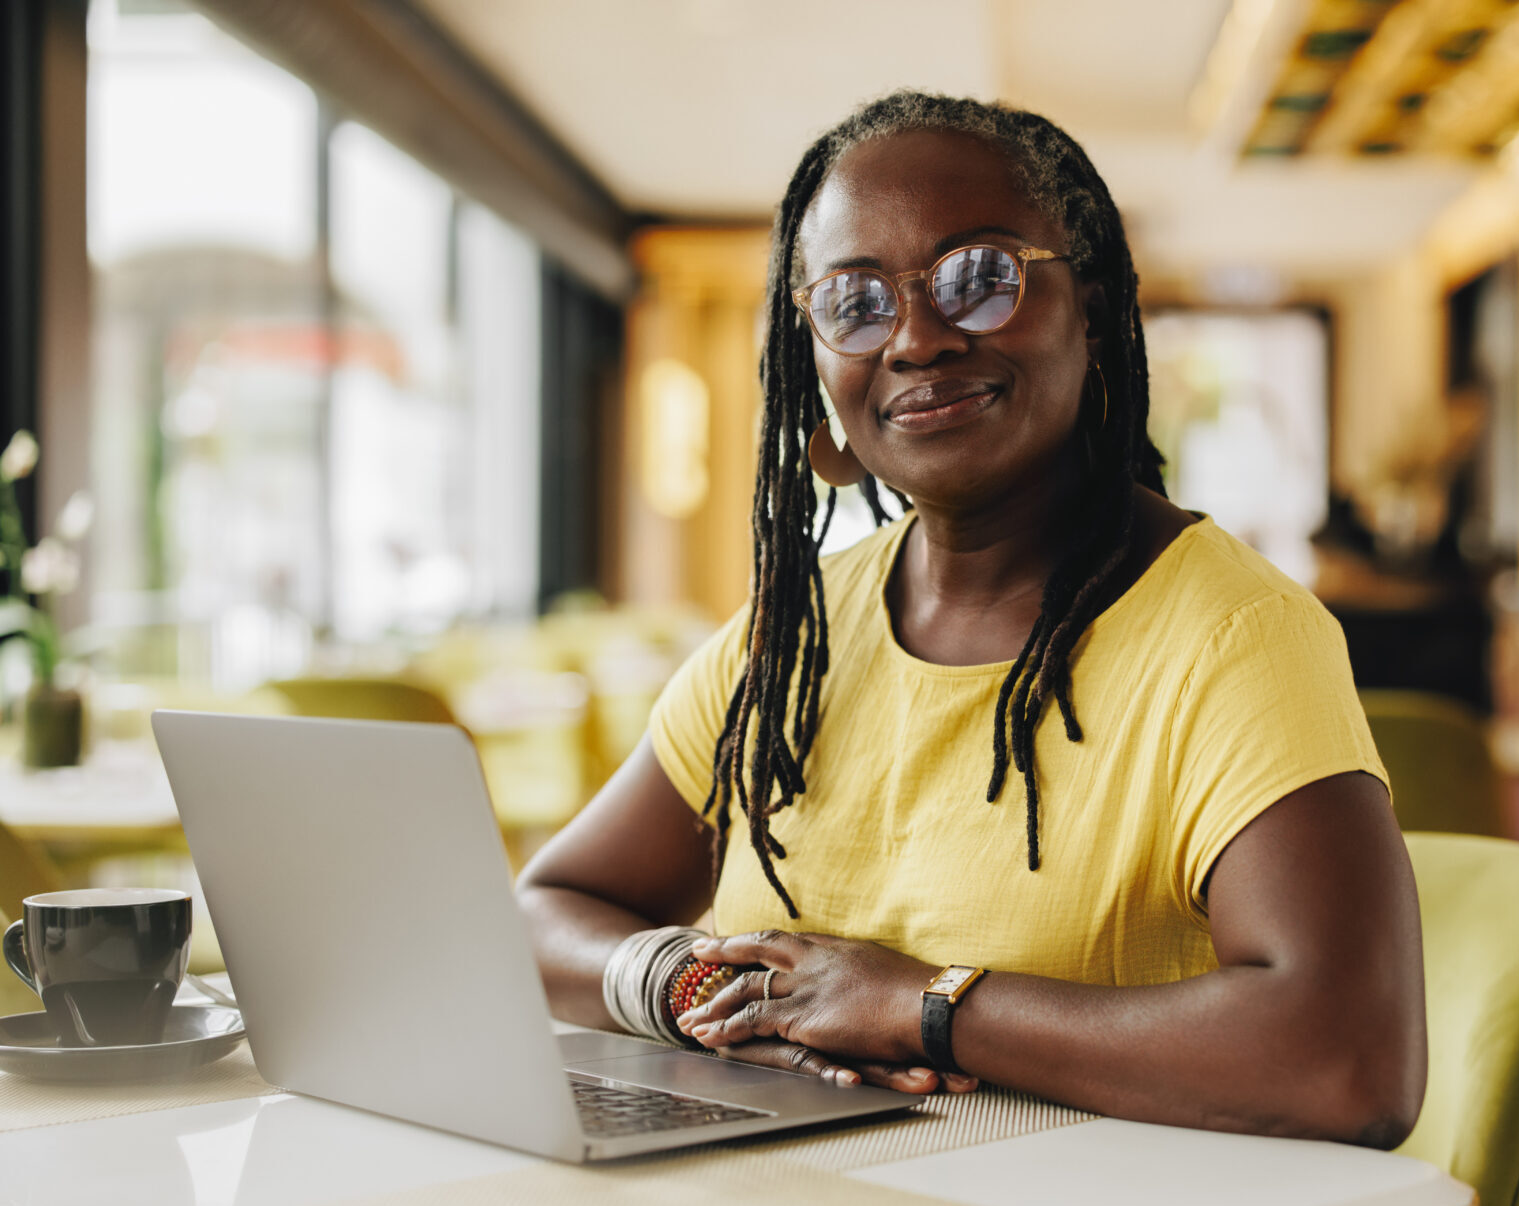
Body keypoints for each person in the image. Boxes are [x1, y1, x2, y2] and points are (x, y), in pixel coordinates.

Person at [517, 91, 1425, 1146]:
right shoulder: (794, 635)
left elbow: (1348, 1058)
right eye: (855, 303)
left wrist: (924, 1005)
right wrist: (683, 985)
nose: (917, 338)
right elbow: (546, 908)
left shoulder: (1235, 637)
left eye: (979, 279)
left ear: (1090, 308)